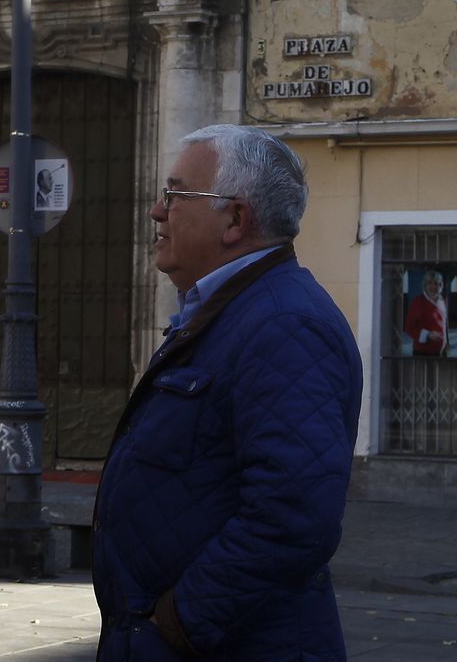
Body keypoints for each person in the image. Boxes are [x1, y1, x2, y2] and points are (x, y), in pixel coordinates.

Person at [93, 124, 363, 660]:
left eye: (175, 195)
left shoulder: (284, 324)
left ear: (235, 219)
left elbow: (294, 514)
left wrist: (183, 621)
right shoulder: (234, 312)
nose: (157, 211)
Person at [404, 269, 448, 356]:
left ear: (441, 285)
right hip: (423, 351)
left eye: (436, 283)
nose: (433, 287)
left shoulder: (442, 300)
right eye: (430, 283)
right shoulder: (417, 302)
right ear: (425, 285)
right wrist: (428, 335)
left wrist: (445, 341)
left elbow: (444, 323)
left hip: (441, 350)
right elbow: (409, 328)